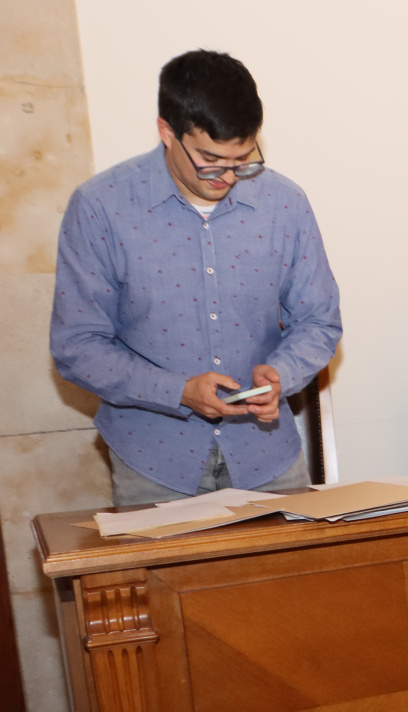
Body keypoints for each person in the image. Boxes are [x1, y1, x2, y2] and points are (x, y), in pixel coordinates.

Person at [51, 49, 341, 506]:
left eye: (243, 159)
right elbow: (77, 344)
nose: (227, 176)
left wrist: (282, 373)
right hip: (153, 461)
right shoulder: (101, 207)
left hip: (268, 456)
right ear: (167, 132)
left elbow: (319, 321)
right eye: (210, 160)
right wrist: (178, 392)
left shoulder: (284, 203)